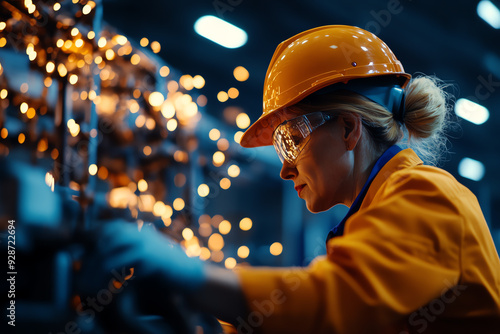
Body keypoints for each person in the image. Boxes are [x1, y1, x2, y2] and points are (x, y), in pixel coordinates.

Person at [90, 25, 500, 333]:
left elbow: (337, 301)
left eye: (290, 140)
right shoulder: (375, 217)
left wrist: (192, 274)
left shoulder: (429, 194)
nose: (285, 168)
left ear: (347, 128)